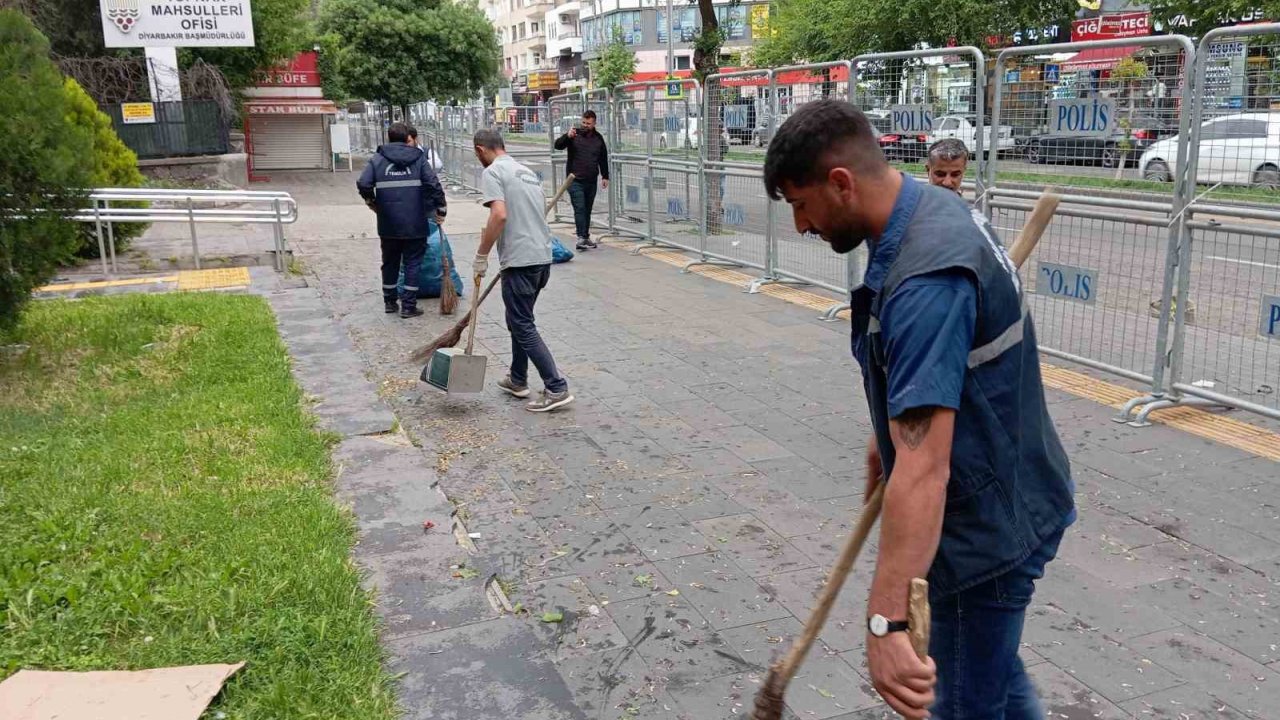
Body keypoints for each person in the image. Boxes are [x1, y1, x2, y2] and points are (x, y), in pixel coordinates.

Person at [763, 100, 1074, 720]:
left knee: (966, 699)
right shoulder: (934, 209)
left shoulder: (925, 276)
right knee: (994, 681)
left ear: (842, 183)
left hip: (982, 530)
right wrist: (890, 431)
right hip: (1012, 492)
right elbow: (939, 383)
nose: (800, 225)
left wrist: (886, 621)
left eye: (800, 204)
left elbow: (927, 468)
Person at [472, 129, 574, 412]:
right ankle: (517, 379)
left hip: (521, 260)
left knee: (522, 324)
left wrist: (482, 254)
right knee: (520, 319)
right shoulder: (526, 172)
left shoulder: (493, 172)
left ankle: (556, 387)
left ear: (481, 150)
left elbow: (499, 215)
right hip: (541, 257)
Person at [357, 121, 448, 318]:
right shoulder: (418, 158)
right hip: (415, 221)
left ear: (389, 138)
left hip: (388, 221)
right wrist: (441, 208)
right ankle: (408, 306)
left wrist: (371, 201)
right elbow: (433, 183)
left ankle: (390, 302)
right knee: (412, 263)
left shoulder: (378, 159)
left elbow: (364, 183)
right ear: (408, 138)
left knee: (389, 262)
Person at [553, 109, 609, 251]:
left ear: (594, 123)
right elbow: (558, 145)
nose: (585, 125)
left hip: (591, 180)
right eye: (583, 122)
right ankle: (580, 237)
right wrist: (567, 136)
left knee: (587, 209)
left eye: (588, 123)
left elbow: (603, 158)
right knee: (580, 208)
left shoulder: (598, 138)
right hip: (574, 180)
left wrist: (605, 176)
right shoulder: (574, 134)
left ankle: (585, 236)